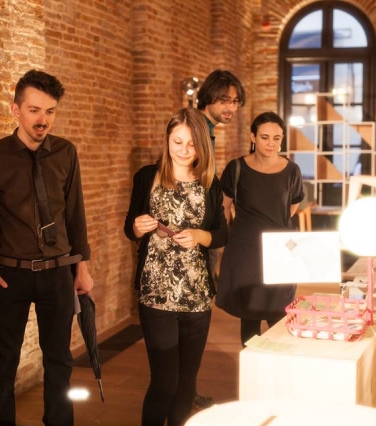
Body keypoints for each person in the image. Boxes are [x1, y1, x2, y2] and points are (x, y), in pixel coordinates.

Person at [0, 69, 93, 426]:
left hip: (58, 271)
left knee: (60, 362)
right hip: (10, 274)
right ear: (15, 110)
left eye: (50, 111)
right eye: (35, 110)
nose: (43, 120)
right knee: (3, 364)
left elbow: (75, 215)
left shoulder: (66, 152)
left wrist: (81, 267)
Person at [124, 108, 228, 426]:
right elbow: (130, 227)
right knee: (164, 381)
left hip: (196, 295)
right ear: (167, 139)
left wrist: (198, 235)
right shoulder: (147, 176)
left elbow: (221, 234)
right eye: (177, 141)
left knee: (185, 384)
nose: (183, 150)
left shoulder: (210, 183)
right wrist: (138, 226)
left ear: (202, 146)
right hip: (156, 293)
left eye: (192, 144)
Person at [215, 111, 304, 346]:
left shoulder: (291, 170)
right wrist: (224, 244)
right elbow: (224, 207)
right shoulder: (236, 168)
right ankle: (252, 363)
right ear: (253, 137)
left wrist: (273, 227)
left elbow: (292, 206)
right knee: (250, 314)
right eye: (265, 137)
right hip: (246, 251)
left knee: (280, 313)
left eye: (277, 138)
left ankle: (279, 363)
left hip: (280, 250)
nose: (271, 143)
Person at [194, 68, 246, 409]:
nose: (231, 107)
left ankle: (186, 390)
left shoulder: (207, 128)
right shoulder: (195, 126)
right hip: (195, 231)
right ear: (208, 97)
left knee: (200, 309)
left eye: (235, 101)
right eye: (224, 100)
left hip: (204, 229)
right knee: (196, 311)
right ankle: (183, 393)